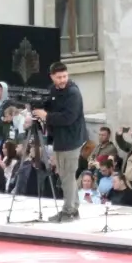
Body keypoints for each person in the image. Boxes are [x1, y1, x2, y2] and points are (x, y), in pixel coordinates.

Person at [31, 62, 87, 222]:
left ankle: (68, 211)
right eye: (59, 77)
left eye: (64, 76)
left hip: (71, 139)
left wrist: (46, 116)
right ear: (52, 77)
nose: (62, 80)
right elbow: (47, 104)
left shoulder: (73, 93)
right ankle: (73, 208)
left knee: (67, 175)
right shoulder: (53, 90)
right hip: (60, 139)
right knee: (64, 175)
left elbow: (68, 117)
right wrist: (37, 107)